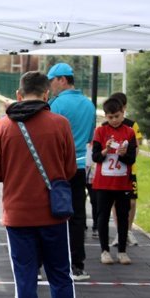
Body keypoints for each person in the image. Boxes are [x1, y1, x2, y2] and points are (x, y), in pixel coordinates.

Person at [0, 70, 84, 298]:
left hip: (17, 215)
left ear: (18, 94)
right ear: (47, 94)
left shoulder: (2, 127)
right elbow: (68, 169)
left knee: (24, 280)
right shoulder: (60, 124)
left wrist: (14, 174)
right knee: (60, 277)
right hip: (53, 214)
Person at [47, 62, 96, 281]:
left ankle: (54, 261)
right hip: (81, 166)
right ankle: (77, 264)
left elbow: (49, 136)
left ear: (62, 80)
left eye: (52, 80)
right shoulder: (89, 105)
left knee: (53, 214)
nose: (51, 85)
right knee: (77, 216)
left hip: (59, 166)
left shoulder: (56, 105)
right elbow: (89, 137)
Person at [91, 97, 138, 265]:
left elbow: (132, 159)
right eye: (110, 117)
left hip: (122, 183)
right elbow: (96, 157)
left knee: (123, 216)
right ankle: (105, 250)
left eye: (117, 116)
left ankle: (122, 251)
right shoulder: (100, 132)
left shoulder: (129, 132)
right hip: (103, 183)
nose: (114, 120)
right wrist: (106, 150)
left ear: (123, 113)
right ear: (105, 116)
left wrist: (124, 154)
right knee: (103, 216)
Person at [109, 92, 142, 247]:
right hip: (114, 170)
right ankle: (119, 232)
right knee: (116, 202)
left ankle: (128, 230)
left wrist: (129, 159)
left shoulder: (132, 125)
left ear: (124, 109)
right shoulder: (106, 126)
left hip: (130, 169)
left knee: (132, 202)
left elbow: (137, 146)